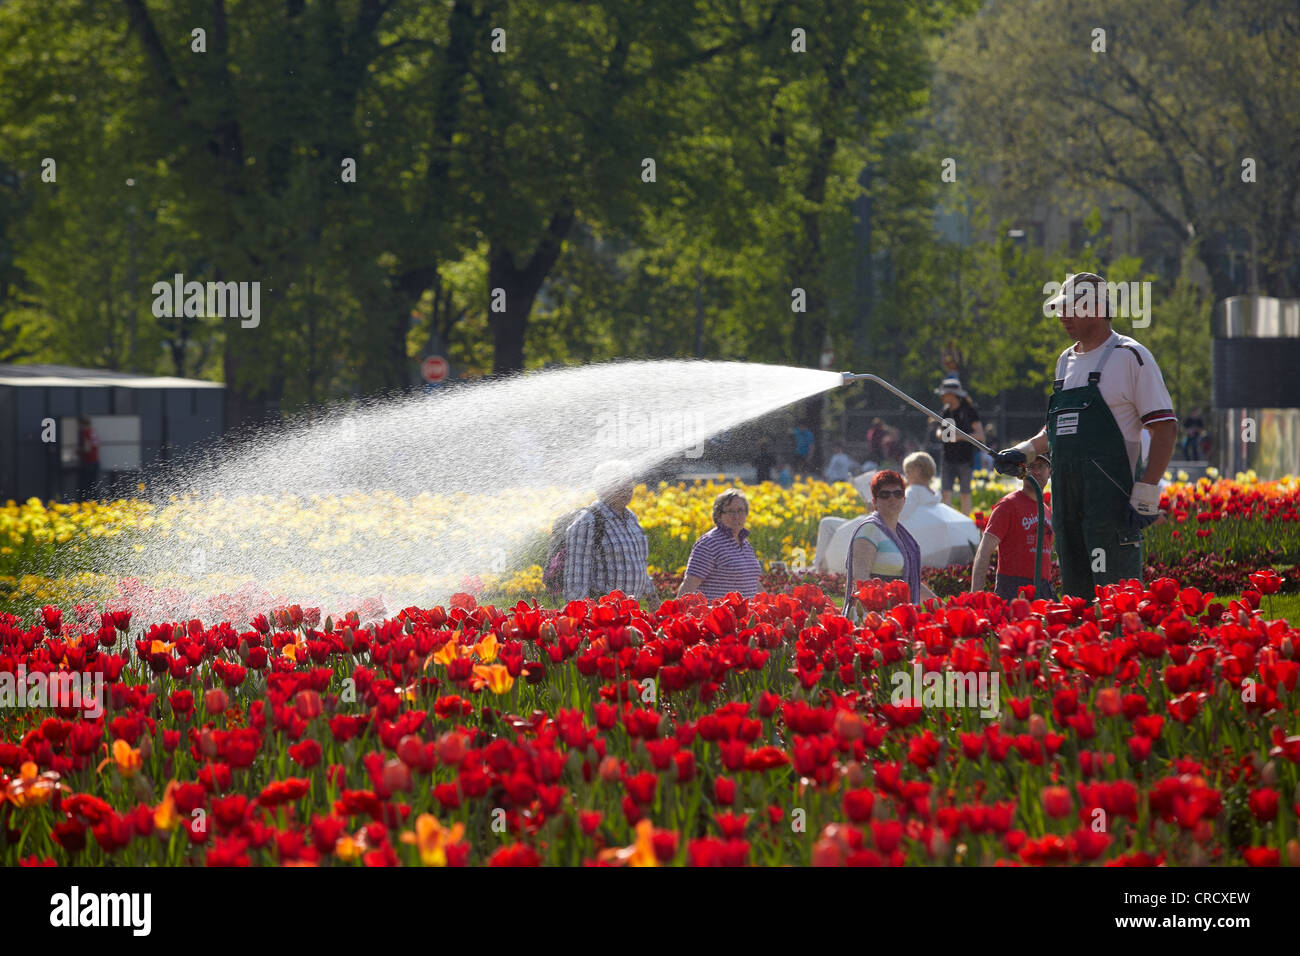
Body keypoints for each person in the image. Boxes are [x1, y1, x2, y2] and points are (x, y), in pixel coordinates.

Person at [994, 272, 1177, 600]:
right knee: (1077, 602)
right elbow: (1056, 429)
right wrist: (1023, 451)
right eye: (1060, 308)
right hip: (1067, 505)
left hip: (1111, 505)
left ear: (1096, 308)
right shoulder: (1065, 361)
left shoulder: (1131, 356)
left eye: (1070, 309)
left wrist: (1147, 491)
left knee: (1114, 603)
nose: (1062, 316)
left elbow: (1165, 428)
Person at [844, 470, 939, 612]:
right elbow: (861, 581)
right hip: (871, 617)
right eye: (885, 494)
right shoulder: (868, 531)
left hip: (895, 614)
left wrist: (941, 606)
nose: (892, 499)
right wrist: (881, 613)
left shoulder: (902, 536)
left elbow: (911, 583)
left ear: (904, 499)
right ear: (875, 502)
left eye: (898, 493)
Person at [563, 462, 655, 604]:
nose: (628, 488)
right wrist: (581, 617)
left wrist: (652, 598)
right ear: (603, 487)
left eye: (629, 482)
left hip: (630, 611)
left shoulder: (631, 518)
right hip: (603, 614)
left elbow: (639, 564)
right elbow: (576, 579)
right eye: (619, 483)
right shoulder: (588, 521)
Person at [972, 454, 1057, 601]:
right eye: (1031, 466)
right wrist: (975, 597)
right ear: (1021, 472)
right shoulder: (1008, 505)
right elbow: (983, 552)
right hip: (1013, 589)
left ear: (1049, 471)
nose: (1036, 471)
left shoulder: (1046, 510)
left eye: (1041, 466)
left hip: (1044, 588)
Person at [677, 489, 763, 600]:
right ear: (718, 515)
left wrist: (774, 604)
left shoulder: (745, 544)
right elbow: (690, 584)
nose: (736, 516)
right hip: (718, 615)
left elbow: (752, 582)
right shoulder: (709, 543)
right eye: (730, 511)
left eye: (740, 511)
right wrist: (675, 614)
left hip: (743, 615)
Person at [934, 377, 984, 514]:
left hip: (965, 459)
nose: (942, 396)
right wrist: (940, 434)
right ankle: (949, 523)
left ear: (953, 395)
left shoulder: (969, 411)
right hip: (948, 458)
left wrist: (960, 437)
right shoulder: (945, 411)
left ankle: (966, 523)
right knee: (945, 492)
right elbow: (940, 429)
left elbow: (980, 435)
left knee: (965, 494)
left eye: (945, 393)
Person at [899, 451, 940, 521]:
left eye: (908, 472)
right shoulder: (935, 494)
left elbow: (901, 515)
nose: (906, 477)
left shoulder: (912, 492)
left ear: (917, 472)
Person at [76, 415, 100, 500]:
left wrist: (78, 451)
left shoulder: (86, 432)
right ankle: (94, 502)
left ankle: (84, 503)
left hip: (88, 462)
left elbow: (87, 448)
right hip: (95, 461)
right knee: (93, 485)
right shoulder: (92, 432)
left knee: (85, 485)